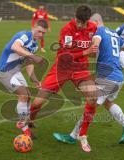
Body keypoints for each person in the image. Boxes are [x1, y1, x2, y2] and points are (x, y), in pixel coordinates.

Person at [53, 13, 124, 151]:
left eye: (90, 23)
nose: (88, 26)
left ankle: (73, 136)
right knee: (108, 103)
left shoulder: (100, 31)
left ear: (96, 22)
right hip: (118, 78)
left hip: (107, 78)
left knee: (90, 106)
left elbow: (95, 46)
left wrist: (91, 48)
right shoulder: (114, 33)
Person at [25, 5, 98, 152]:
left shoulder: (93, 28)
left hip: (81, 69)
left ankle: (82, 134)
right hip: (62, 68)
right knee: (39, 102)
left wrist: (96, 49)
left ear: (88, 21)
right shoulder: (67, 29)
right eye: (78, 21)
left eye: (83, 22)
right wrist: (87, 51)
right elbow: (65, 56)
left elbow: (100, 41)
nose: (80, 25)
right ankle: (30, 119)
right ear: (75, 17)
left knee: (93, 98)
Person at [0, 19, 48, 136]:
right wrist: (33, 56)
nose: (40, 35)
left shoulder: (35, 45)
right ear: (33, 27)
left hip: (15, 72)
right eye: (39, 31)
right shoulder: (23, 35)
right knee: (23, 94)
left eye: (43, 33)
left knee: (28, 96)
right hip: (4, 71)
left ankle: (26, 121)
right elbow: (15, 47)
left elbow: (28, 63)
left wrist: (33, 78)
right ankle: (25, 128)